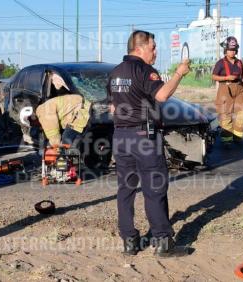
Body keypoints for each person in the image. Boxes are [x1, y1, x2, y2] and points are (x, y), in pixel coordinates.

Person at [108, 30, 190, 256]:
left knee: (126, 189)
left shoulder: (115, 73)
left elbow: (113, 107)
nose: (155, 52)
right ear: (139, 47)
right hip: (144, 138)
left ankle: (130, 242)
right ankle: (163, 243)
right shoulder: (145, 70)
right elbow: (162, 95)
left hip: (121, 137)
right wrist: (179, 74)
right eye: (153, 47)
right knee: (154, 189)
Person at [211, 36, 243, 147]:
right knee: (225, 116)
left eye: (233, 50)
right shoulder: (220, 63)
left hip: (239, 89)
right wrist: (226, 77)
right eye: (230, 50)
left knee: (242, 115)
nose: (232, 52)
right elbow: (214, 76)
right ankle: (227, 140)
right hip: (225, 89)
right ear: (225, 50)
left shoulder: (239, 63)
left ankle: (237, 137)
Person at [35, 73, 91, 147]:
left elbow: (53, 133)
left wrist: (55, 146)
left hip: (83, 111)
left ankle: (69, 157)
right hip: (82, 107)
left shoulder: (42, 111)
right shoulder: (45, 106)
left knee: (66, 139)